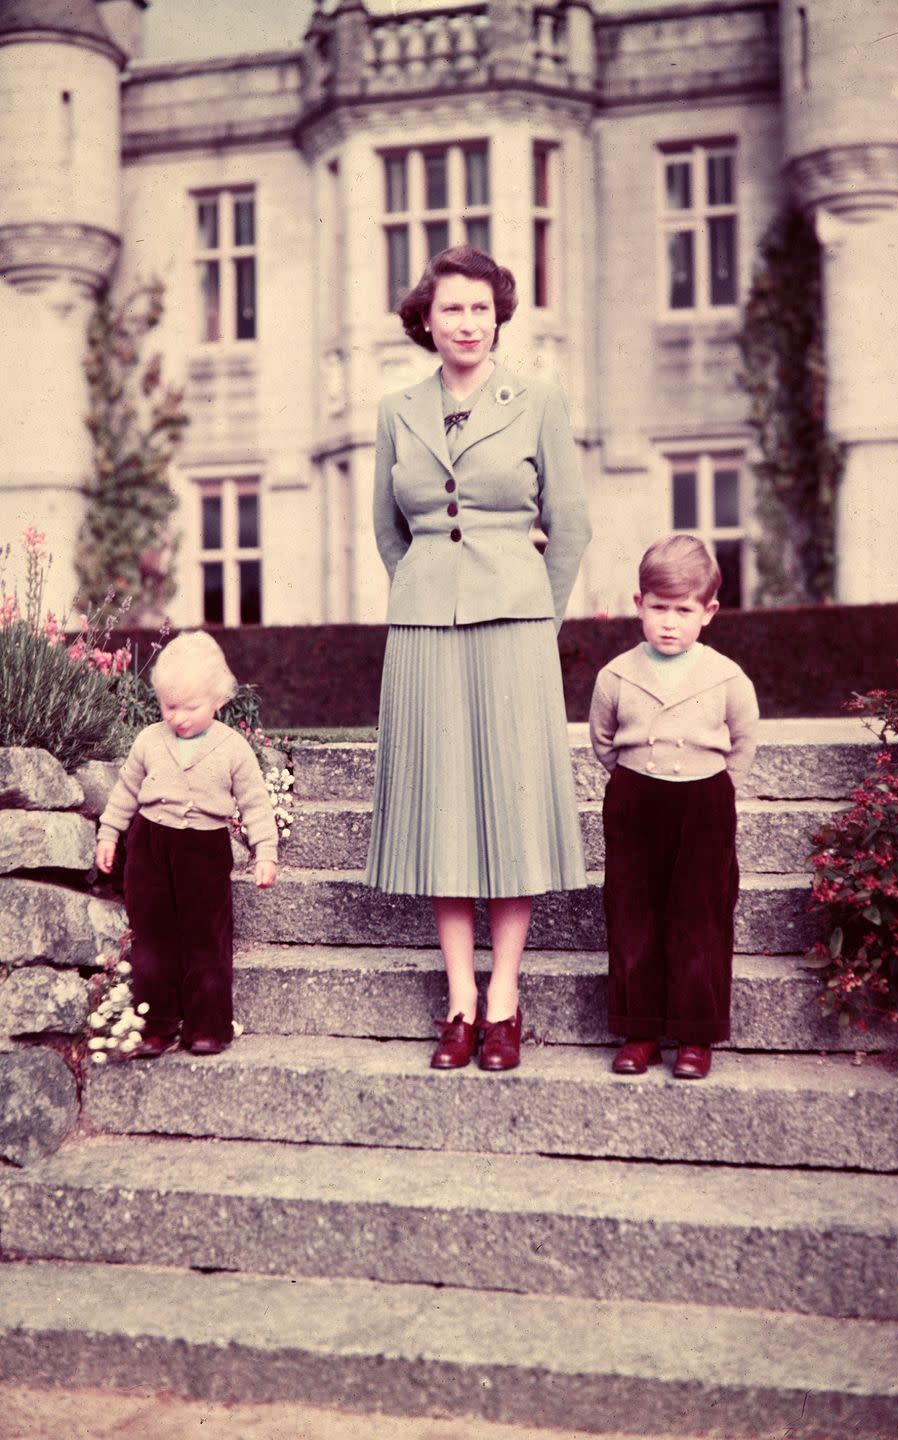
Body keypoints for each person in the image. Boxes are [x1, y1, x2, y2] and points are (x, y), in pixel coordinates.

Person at [365, 244, 591, 1073]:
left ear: (500, 317)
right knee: (441, 808)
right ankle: (459, 1001)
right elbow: (389, 531)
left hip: (515, 626)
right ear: (425, 318)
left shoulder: (537, 402)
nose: (468, 322)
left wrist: (537, 615)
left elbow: (568, 527)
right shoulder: (396, 410)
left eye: (481, 308)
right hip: (425, 628)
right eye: (452, 308)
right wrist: (429, 589)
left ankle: (506, 998)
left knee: (511, 802)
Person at [588, 535, 759, 1080]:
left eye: (683, 611)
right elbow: (603, 740)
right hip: (636, 798)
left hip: (704, 802)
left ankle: (695, 1035)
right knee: (632, 912)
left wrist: (715, 787)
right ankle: (639, 1032)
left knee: (699, 916)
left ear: (708, 613)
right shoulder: (616, 675)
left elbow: (742, 741)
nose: (669, 623)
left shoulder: (727, 677)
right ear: (638, 604)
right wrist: (636, 779)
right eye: (658, 608)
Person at [95, 631, 278, 1057]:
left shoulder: (232, 748)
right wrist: (108, 834)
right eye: (169, 706)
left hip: (204, 851)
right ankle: (156, 1023)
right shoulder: (149, 741)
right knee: (153, 937)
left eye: (190, 707)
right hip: (150, 845)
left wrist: (264, 851)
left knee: (205, 938)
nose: (177, 717)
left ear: (218, 700)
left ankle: (207, 1026)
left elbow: (254, 802)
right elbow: (124, 792)